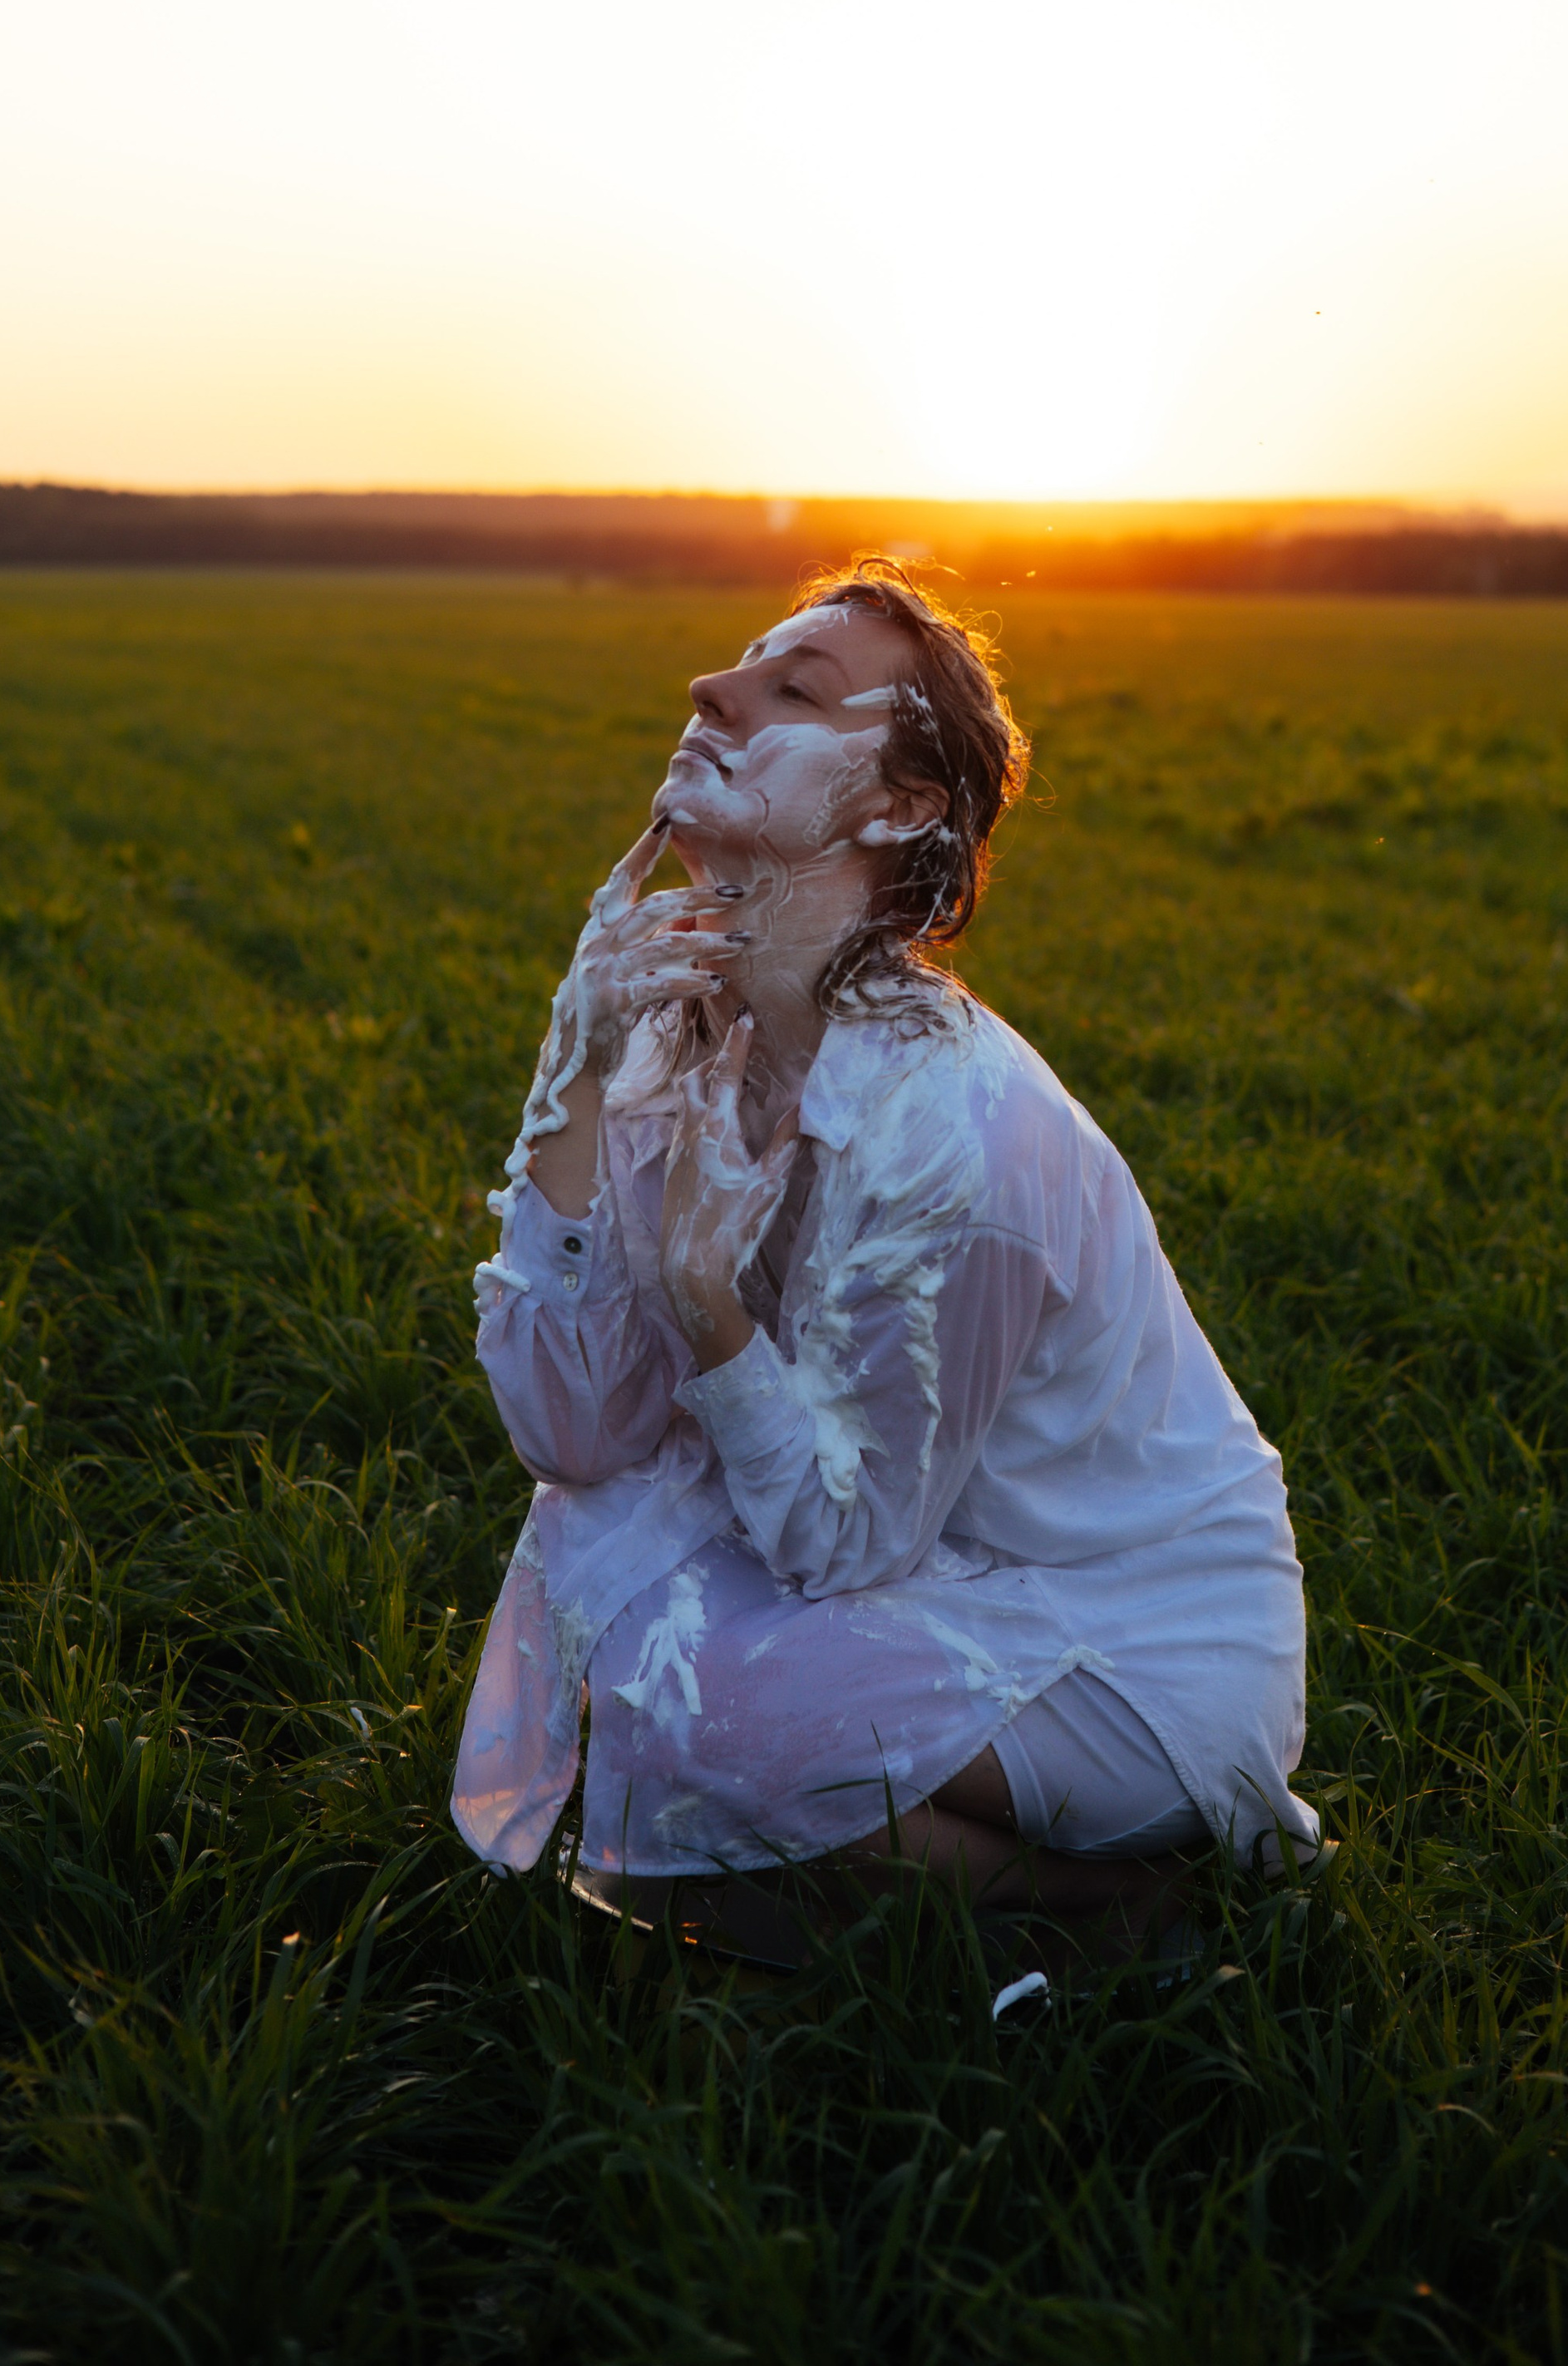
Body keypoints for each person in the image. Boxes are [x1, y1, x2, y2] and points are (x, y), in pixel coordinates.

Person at [451, 563, 1319, 1960]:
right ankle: (858, 1895)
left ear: (899, 805)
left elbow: (847, 1537)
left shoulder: (957, 1131)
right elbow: (574, 1431)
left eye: (794, 688)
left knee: (688, 1692)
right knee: (596, 1575)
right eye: (739, 663)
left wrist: (712, 1317)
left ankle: (1134, 1912)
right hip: (926, 1573)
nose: (708, 691)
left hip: (1129, 1644)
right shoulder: (680, 1028)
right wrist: (577, 1067)